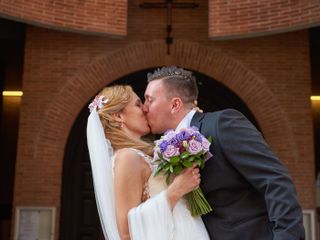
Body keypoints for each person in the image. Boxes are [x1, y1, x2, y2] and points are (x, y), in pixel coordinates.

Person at [143, 66, 305, 240]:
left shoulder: (222, 124)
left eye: (149, 100)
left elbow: (274, 180)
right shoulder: (160, 150)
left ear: (175, 104)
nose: (144, 108)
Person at [86, 85, 210, 240]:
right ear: (118, 116)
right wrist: (176, 190)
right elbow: (125, 233)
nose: (145, 109)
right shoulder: (127, 158)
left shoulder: (145, 154)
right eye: (138, 104)